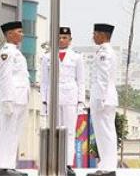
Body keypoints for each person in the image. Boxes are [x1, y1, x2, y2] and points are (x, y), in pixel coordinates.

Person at [40, 26, 85, 176]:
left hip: (70, 97)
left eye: (65, 38)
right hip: (53, 96)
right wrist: (44, 101)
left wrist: (80, 101)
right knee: (54, 131)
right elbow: (44, 82)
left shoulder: (77, 57)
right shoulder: (47, 57)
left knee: (70, 132)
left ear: (70, 40)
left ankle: (67, 164)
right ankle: (55, 162)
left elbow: (81, 81)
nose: (61, 40)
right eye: (59, 37)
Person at [0, 21, 30, 176]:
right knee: (7, 131)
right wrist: (8, 99)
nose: (22, 34)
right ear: (9, 34)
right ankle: (4, 166)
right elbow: (5, 76)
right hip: (12, 98)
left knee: (15, 132)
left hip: (20, 97)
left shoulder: (16, 52)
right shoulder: (6, 52)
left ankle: (10, 165)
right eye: (19, 31)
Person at [87, 23, 118, 176]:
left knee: (105, 132)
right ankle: (106, 165)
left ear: (102, 35)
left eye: (95, 34)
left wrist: (100, 98)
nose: (93, 37)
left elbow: (103, 78)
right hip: (106, 97)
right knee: (105, 132)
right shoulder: (105, 51)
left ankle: (108, 167)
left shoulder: (104, 53)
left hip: (103, 98)